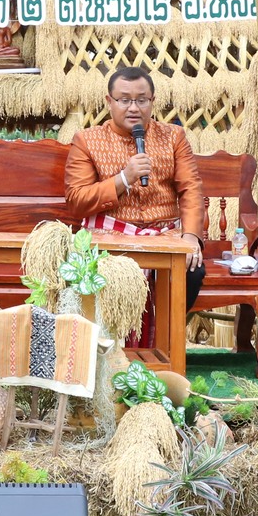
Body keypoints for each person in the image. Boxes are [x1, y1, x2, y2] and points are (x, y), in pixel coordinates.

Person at [64, 66, 206, 341]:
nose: (133, 108)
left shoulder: (173, 137)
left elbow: (191, 188)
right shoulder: (87, 140)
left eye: (141, 100)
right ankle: (109, 347)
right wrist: (123, 179)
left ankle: (165, 345)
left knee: (192, 269)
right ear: (109, 101)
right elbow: (77, 201)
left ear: (152, 101)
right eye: (124, 100)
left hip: (166, 235)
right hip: (108, 237)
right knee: (100, 273)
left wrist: (190, 237)